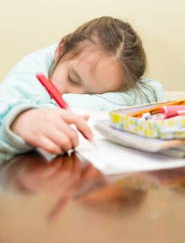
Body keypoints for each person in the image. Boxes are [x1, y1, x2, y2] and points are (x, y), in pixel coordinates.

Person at [0, 16, 164, 161]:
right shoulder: (30, 74)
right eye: (72, 78)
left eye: (96, 95)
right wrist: (18, 121)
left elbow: (153, 91)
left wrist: (69, 103)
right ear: (60, 49)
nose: (76, 93)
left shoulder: (109, 75)